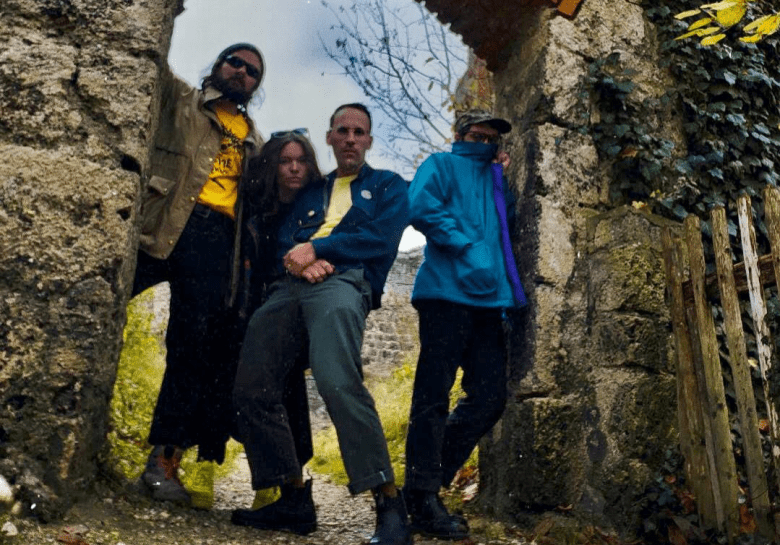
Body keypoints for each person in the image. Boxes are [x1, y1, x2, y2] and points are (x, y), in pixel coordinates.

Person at [231, 103, 412, 545]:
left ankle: (389, 505)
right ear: (329, 139)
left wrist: (320, 249)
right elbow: (282, 242)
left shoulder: (388, 186)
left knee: (336, 380)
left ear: (369, 140)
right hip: (291, 287)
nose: (350, 139)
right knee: (250, 388)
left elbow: (382, 236)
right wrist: (299, 262)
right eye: (342, 131)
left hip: (345, 284)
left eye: (359, 132)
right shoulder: (312, 191)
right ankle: (292, 496)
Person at [131, 43, 265, 508]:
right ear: (218, 65)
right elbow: (146, 59)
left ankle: (162, 461)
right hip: (160, 219)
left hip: (214, 242)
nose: (242, 72)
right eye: (236, 62)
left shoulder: (254, 140)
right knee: (98, 305)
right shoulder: (180, 100)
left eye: (252, 71)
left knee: (190, 351)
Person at [402, 109, 527, 540]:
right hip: (444, 295)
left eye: (493, 136)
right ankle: (421, 495)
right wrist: (465, 245)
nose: (485, 140)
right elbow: (420, 206)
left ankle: (426, 484)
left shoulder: (496, 179)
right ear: (460, 135)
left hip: (490, 302)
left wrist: (498, 180)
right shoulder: (440, 164)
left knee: (490, 398)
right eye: (478, 133)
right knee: (432, 397)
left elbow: (505, 227)